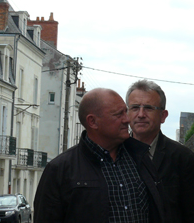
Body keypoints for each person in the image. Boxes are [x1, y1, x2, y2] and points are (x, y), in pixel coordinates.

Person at [33, 88, 165, 222]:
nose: (127, 119)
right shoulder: (60, 169)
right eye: (118, 114)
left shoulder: (140, 158)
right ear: (92, 122)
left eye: (126, 112)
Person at [126, 80, 194, 223]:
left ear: (163, 116)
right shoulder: (114, 154)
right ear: (126, 113)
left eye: (149, 108)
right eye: (134, 107)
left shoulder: (183, 159)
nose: (141, 114)